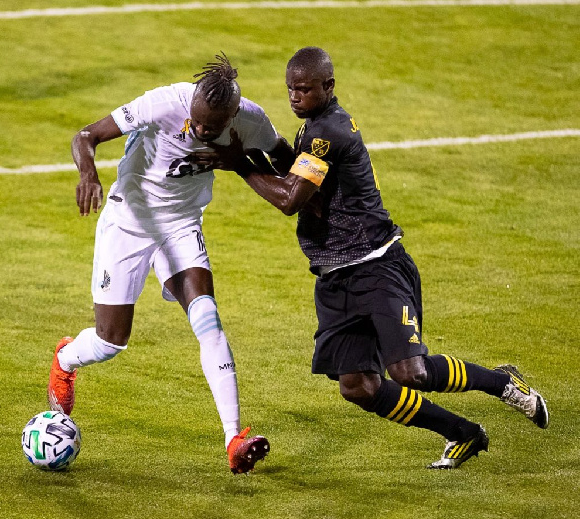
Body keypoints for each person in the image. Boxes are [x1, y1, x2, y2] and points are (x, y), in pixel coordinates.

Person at [190, 47, 549, 469]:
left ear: (329, 86)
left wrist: (241, 164)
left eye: (304, 89)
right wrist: (263, 154)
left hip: (375, 264)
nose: (295, 97)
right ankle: (462, 433)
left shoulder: (329, 132)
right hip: (335, 276)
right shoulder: (313, 131)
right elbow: (310, 192)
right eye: (290, 89)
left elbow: (291, 200)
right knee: (358, 386)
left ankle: (503, 383)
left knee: (409, 372)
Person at [48, 53, 294, 474]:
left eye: (209, 129)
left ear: (233, 114)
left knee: (208, 317)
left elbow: (284, 158)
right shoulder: (162, 103)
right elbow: (84, 136)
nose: (198, 131)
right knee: (110, 342)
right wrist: (88, 172)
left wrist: (310, 183)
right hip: (128, 221)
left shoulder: (251, 120)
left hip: (180, 226)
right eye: (195, 122)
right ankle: (66, 360)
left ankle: (234, 438)